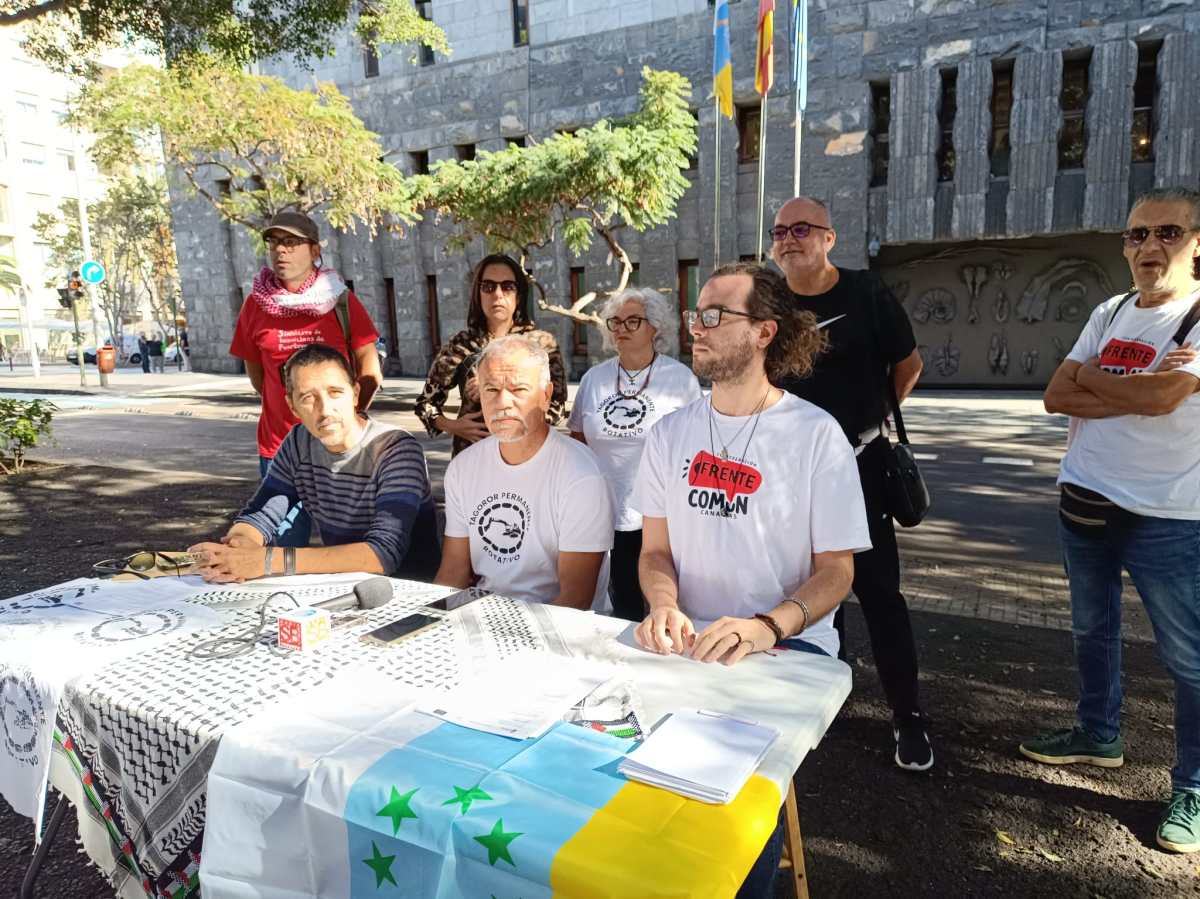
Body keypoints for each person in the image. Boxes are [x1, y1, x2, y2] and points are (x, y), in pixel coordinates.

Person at [631, 262, 870, 898]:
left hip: (785, 644)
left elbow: (837, 572)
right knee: (626, 767)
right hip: (687, 641)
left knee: (728, 795)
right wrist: (661, 603)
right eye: (694, 316)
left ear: (764, 332)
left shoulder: (816, 436)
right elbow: (654, 552)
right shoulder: (669, 435)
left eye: (715, 316)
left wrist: (767, 627)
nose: (696, 329)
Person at [1021, 187, 1200, 854]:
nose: (1150, 247)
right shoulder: (1111, 308)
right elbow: (1053, 394)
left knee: (1190, 658)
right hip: (1087, 500)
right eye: (1137, 235)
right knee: (1092, 630)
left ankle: (1195, 785)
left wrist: (1104, 383)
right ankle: (1099, 733)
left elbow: (1165, 399)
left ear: (1196, 244)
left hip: (1171, 515)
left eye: (1169, 233)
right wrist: (1144, 388)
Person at [768, 195, 931, 772]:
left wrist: (868, 422)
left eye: (803, 229)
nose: (790, 239)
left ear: (830, 238)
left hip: (858, 468)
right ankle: (812, 702)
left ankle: (907, 717)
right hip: (782, 477)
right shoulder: (769, 302)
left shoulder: (866, 293)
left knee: (880, 594)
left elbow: (907, 366)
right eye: (780, 231)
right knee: (805, 595)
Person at [190, 343, 439, 583]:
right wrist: (234, 549)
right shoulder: (299, 443)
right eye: (308, 398)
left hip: (411, 590)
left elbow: (383, 553)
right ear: (292, 406)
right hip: (342, 586)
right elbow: (263, 513)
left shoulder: (395, 449)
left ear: (355, 394)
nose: (325, 410)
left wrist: (267, 560)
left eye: (335, 393)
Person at [230, 211, 383, 548]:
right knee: (284, 546)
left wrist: (351, 418)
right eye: (274, 243)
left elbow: (369, 368)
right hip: (279, 449)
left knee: (349, 546)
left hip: (339, 447)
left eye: (291, 243)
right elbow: (257, 373)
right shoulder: (255, 306)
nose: (280, 251)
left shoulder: (340, 301)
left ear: (315, 250)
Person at [434, 333, 614, 608]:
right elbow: (453, 573)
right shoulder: (463, 467)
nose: (503, 402)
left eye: (518, 389)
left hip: (560, 627)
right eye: (491, 390)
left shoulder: (581, 476)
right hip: (482, 612)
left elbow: (575, 600)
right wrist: (426, 623)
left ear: (546, 396)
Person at [568, 287, 700, 620]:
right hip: (601, 510)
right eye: (615, 322)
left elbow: (695, 446)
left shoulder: (680, 379)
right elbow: (578, 441)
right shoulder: (593, 380)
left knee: (664, 601)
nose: (622, 329)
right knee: (617, 601)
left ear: (655, 327)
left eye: (633, 321)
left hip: (658, 513)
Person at [415, 254, 567, 458]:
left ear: (518, 295)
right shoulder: (461, 344)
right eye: (488, 286)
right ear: (478, 294)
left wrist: (500, 393)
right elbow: (426, 404)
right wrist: (455, 426)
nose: (497, 294)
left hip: (527, 455)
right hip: (472, 455)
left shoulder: (541, 344)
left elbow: (557, 406)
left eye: (507, 287)